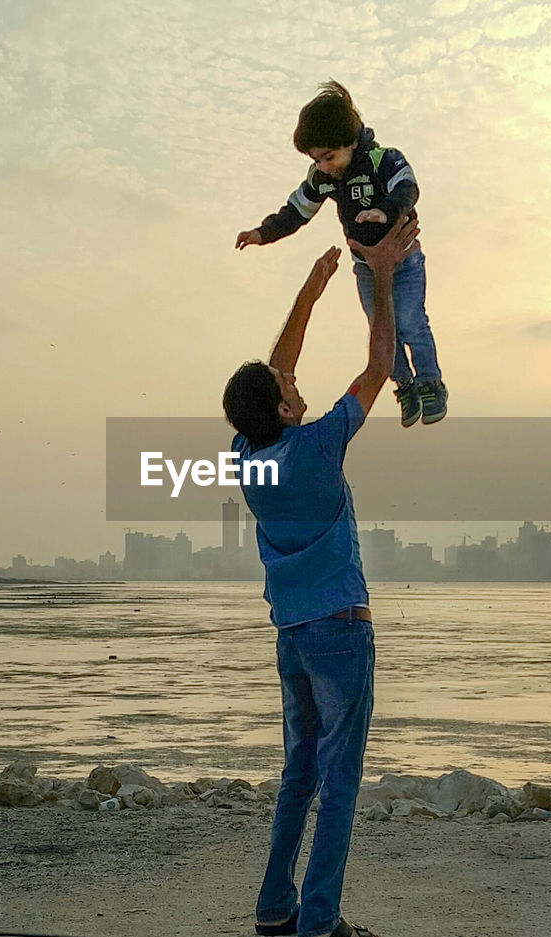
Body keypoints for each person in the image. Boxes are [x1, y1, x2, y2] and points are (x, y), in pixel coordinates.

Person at [222, 211, 420, 937]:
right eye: (286, 385)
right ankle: (317, 923)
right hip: (340, 631)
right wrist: (383, 273)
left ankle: (277, 909)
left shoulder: (248, 455)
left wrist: (311, 290)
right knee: (337, 785)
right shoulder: (317, 445)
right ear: (280, 406)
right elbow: (377, 368)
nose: (292, 381)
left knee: (298, 776)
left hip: (293, 639)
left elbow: (275, 366)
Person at [235, 80, 447, 428]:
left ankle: (429, 381)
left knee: (409, 321)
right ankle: (404, 384)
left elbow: (408, 187)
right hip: (366, 266)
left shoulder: (383, 160)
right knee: (381, 327)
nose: (323, 166)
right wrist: (263, 233)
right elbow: (296, 211)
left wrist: (385, 211)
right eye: (315, 159)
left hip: (404, 260)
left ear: (350, 141)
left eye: (328, 157)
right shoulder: (323, 178)